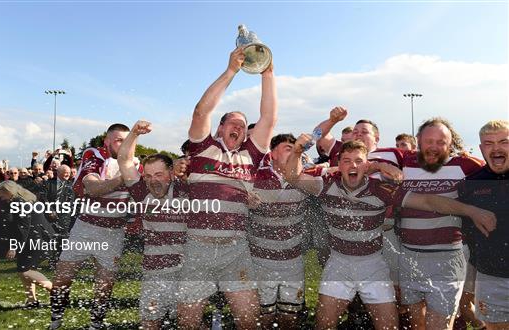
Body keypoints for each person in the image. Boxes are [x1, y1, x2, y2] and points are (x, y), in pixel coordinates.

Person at [283, 137, 496, 330]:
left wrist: (471, 210)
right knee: (324, 324)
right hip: (338, 263)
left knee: (389, 326)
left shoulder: (382, 189)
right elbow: (292, 177)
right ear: (340, 165)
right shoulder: (327, 185)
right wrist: (296, 151)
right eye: (347, 161)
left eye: (359, 161)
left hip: (372, 264)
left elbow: (427, 201)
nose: (353, 165)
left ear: (367, 165)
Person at [176, 46, 277, 329]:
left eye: (243, 126)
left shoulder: (251, 155)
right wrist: (231, 70)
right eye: (233, 122)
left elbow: (269, 118)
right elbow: (200, 111)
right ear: (220, 128)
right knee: (188, 322)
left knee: (249, 319)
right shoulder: (201, 149)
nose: (239, 127)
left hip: (236, 249)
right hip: (198, 248)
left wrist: (268, 73)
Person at [396, 118, 485, 329]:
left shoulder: (466, 164)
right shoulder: (406, 162)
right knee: (417, 323)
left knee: (440, 324)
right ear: (418, 140)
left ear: (450, 143)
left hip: (448, 257)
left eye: (441, 142)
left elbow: (497, 172)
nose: (434, 147)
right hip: (409, 256)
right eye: (429, 141)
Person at [49, 123, 131, 330]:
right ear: (107, 141)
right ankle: (55, 321)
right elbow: (93, 188)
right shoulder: (94, 154)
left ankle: (96, 324)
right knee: (62, 278)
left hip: (114, 232)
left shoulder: (136, 163)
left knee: (105, 284)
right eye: (118, 140)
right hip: (85, 227)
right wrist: (124, 177)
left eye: (127, 140)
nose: (123, 145)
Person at [118, 120, 188, 330]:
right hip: (154, 273)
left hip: (187, 273)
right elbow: (124, 160)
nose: (153, 180)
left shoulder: (186, 190)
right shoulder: (141, 192)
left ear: (171, 174)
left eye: (159, 174)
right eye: (148, 175)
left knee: (189, 324)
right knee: (149, 323)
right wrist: (133, 134)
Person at [248, 134, 308, 329]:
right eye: (287, 149)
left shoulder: (305, 176)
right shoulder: (254, 176)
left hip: (293, 263)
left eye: (295, 149)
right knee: (263, 319)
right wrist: (244, 198)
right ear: (273, 154)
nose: (293, 153)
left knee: (289, 320)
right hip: (261, 262)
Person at [459, 120, 509, 330]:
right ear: (481, 149)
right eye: (488, 143)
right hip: (490, 276)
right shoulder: (471, 184)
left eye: (504, 142)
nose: (496, 148)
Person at [0, 180, 55, 308]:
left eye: (2, 195)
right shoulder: (23, 198)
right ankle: (32, 300)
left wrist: (14, 247)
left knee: (25, 271)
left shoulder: (19, 202)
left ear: (8, 191)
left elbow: (23, 227)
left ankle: (55, 290)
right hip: (35, 237)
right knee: (25, 269)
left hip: (36, 239)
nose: (1, 198)